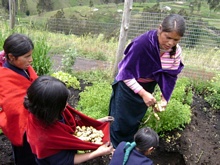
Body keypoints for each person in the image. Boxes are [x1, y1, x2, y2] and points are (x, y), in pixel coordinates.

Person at [109, 14, 186, 148]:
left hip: (148, 85)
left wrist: (164, 98)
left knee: (134, 120)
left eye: (176, 40)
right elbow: (125, 73)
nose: (170, 43)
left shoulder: (176, 52)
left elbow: (170, 76)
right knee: (120, 121)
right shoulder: (142, 44)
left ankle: (127, 148)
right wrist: (143, 93)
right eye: (168, 37)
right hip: (128, 86)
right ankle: (114, 151)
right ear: (160, 29)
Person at [24, 75, 114, 164]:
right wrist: (97, 153)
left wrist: (97, 122)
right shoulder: (43, 139)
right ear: (52, 109)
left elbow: (75, 124)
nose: (67, 105)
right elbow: (66, 161)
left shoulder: (44, 112)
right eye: (63, 103)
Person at [0, 33, 38, 164]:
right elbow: (14, 109)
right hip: (21, 129)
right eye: (27, 56)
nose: (31, 60)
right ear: (11, 57)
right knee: (25, 157)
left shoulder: (23, 67)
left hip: (33, 125)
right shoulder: (4, 78)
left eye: (31, 55)